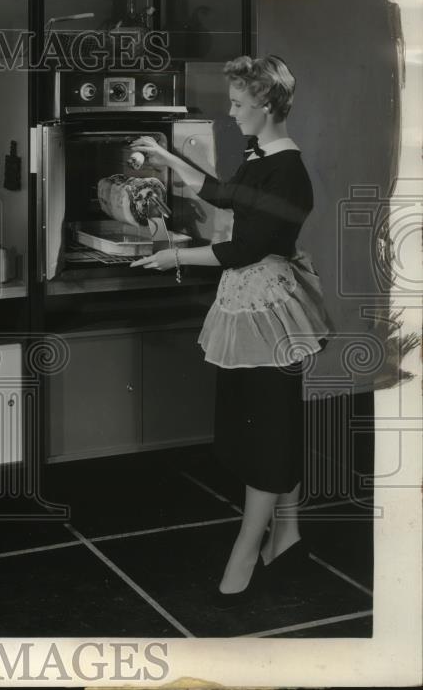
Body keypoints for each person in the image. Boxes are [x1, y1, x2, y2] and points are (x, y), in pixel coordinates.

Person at [129, 55, 331, 603]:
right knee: (270, 423)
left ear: (266, 105)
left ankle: (246, 551)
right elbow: (222, 195)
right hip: (254, 301)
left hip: (269, 306)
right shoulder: (264, 158)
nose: (232, 112)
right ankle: (285, 535)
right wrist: (165, 156)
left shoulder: (287, 171)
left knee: (268, 428)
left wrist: (175, 256)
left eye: (239, 104)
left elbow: (246, 247)